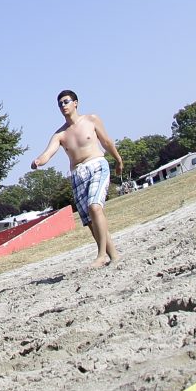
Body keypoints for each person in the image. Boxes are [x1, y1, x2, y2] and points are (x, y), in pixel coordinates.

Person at [30, 90, 124, 266]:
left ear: (76, 103)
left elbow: (107, 142)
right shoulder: (60, 134)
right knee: (90, 220)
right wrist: (38, 161)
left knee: (95, 207)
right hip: (77, 175)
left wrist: (118, 160)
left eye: (66, 102)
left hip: (97, 165)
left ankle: (101, 255)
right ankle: (114, 256)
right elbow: (48, 153)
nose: (63, 106)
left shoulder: (91, 120)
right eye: (60, 104)